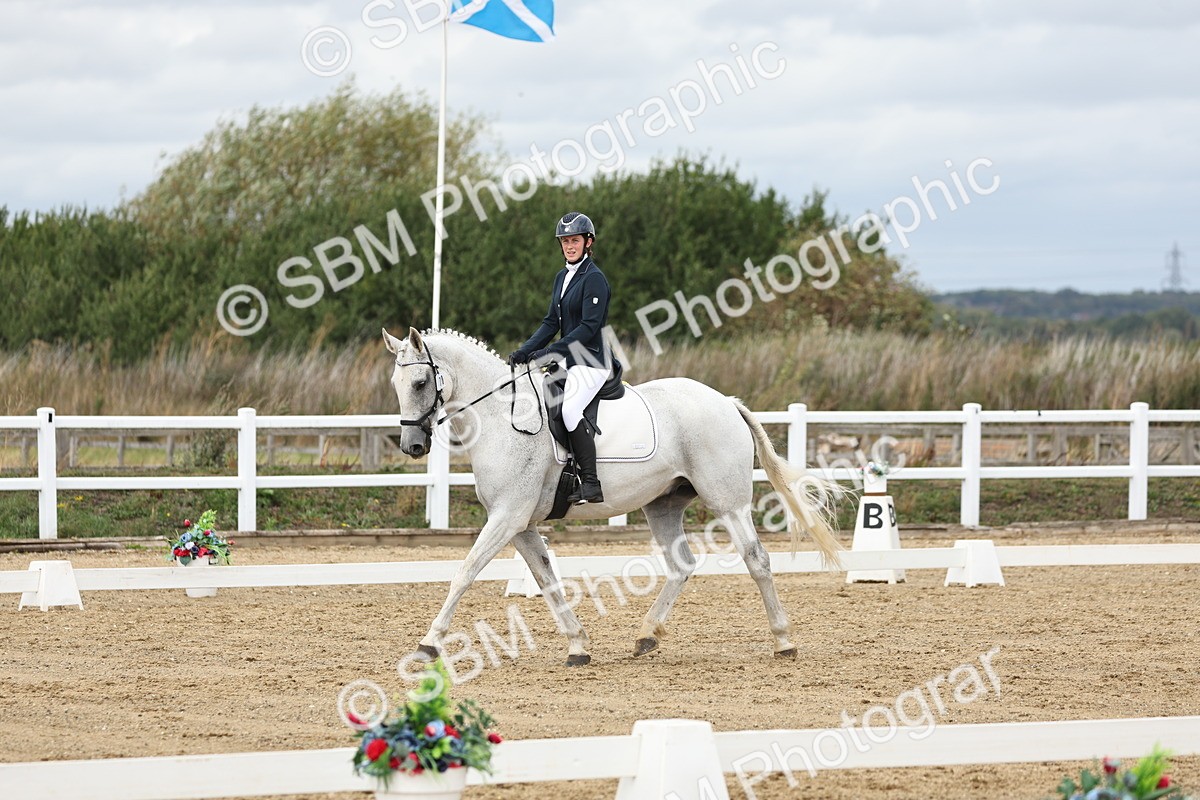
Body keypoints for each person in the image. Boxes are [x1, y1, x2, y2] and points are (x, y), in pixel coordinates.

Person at [509, 211, 613, 504]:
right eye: (565, 241)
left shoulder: (594, 279)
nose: (569, 246)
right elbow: (551, 323)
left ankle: (591, 483)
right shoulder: (561, 278)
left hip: (591, 361)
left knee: (569, 411)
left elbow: (588, 328)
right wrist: (526, 350)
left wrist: (551, 352)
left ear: (588, 242)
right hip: (568, 359)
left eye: (575, 241)